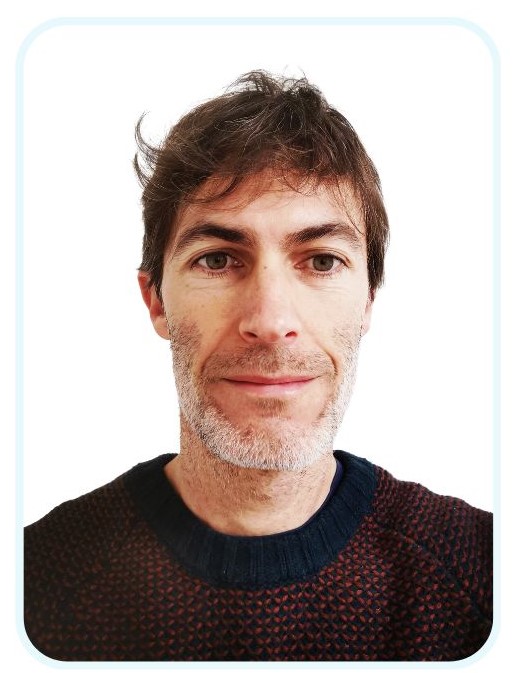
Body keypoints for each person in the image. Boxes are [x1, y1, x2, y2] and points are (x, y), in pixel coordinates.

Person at [24, 71, 492, 662]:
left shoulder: (483, 577)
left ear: (368, 302)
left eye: (321, 261)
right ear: (156, 301)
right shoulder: (31, 588)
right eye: (218, 260)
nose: (270, 321)